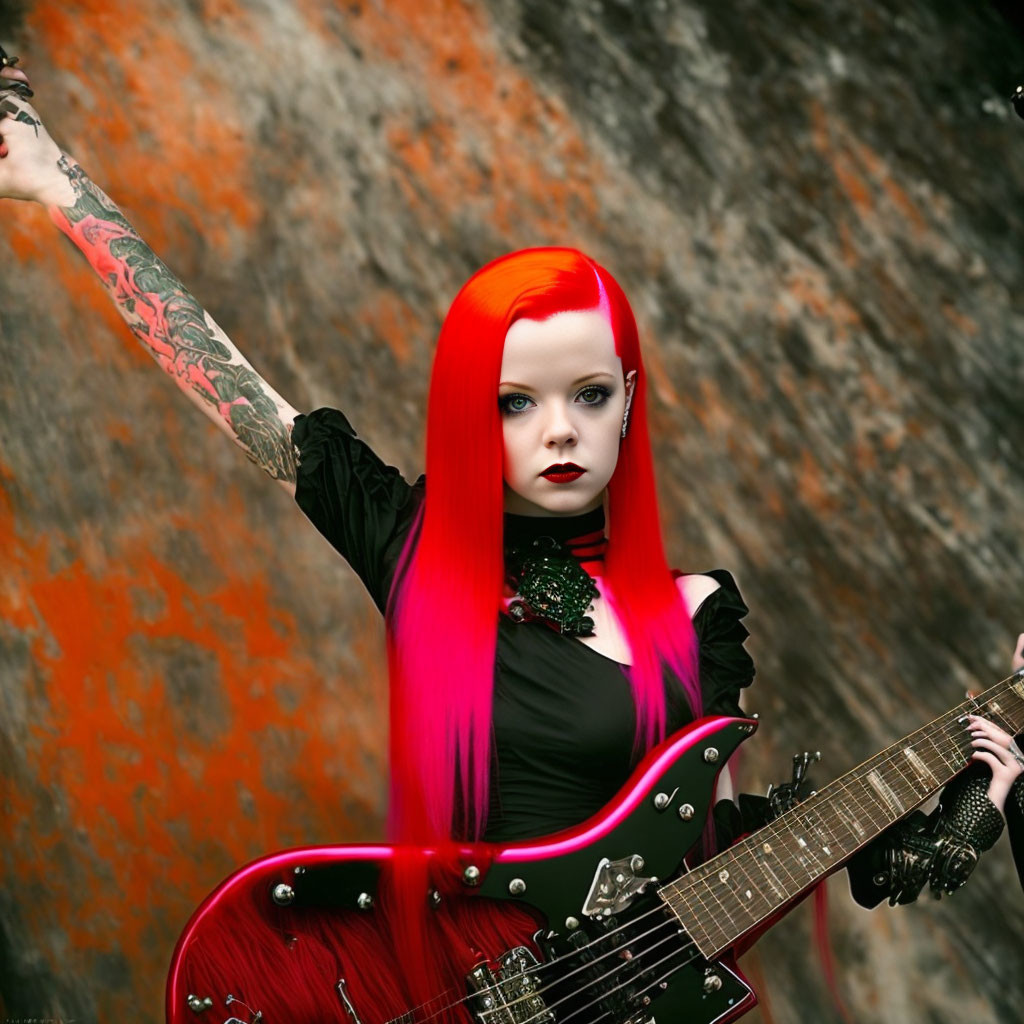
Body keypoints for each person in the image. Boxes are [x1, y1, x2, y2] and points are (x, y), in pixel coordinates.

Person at [1, 56, 1022, 1006]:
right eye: (515, 402)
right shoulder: (418, 549)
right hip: (436, 986)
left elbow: (712, 862)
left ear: (627, 401)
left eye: (587, 394)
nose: (560, 429)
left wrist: (969, 804)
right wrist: (60, 187)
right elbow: (230, 384)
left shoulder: (701, 611)